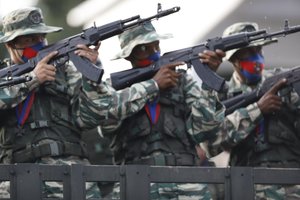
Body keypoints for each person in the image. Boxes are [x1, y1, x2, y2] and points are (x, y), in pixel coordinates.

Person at [104, 21, 226, 200]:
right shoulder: (115, 89)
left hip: (186, 184)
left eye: (156, 46)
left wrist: (208, 82)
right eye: (144, 49)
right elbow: (106, 121)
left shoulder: (183, 82)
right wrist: (152, 85)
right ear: (128, 56)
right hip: (135, 184)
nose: (154, 53)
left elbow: (203, 131)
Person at [202, 22, 300, 200]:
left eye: (259, 51)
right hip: (245, 187)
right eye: (249, 53)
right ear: (234, 60)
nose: (257, 58)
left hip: (291, 187)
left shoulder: (284, 83)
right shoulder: (221, 94)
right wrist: (258, 110)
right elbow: (210, 144)